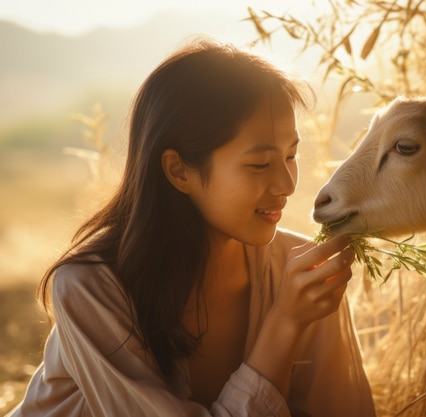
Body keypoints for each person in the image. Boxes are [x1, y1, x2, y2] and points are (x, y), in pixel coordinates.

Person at [8, 36, 376, 417]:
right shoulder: (91, 287)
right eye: (260, 164)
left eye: (291, 155)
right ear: (178, 169)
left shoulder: (303, 273)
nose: (287, 184)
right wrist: (284, 323)